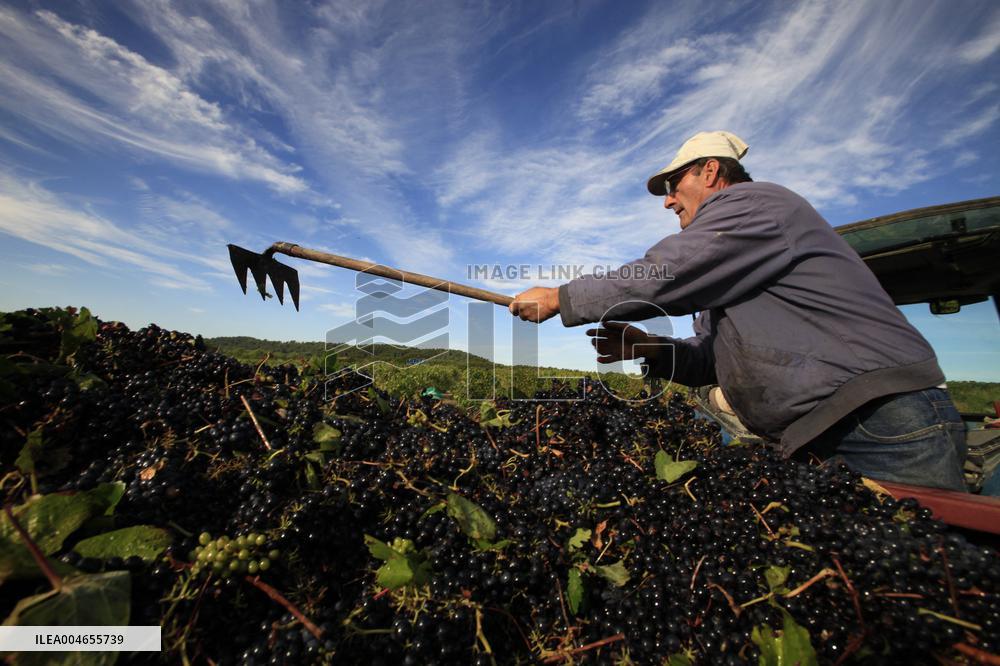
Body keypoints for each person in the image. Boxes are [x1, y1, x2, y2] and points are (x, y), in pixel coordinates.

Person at [509, 130, 967, 491]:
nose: (668, 200)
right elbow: (714, 360)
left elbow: (666, 272)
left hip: (880, 422)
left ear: (710, 172)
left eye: (673, 185)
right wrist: (649, 347)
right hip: (822, 430)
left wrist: (560, 298)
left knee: (914, 578)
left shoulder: (756, 204)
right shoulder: (733, 272)